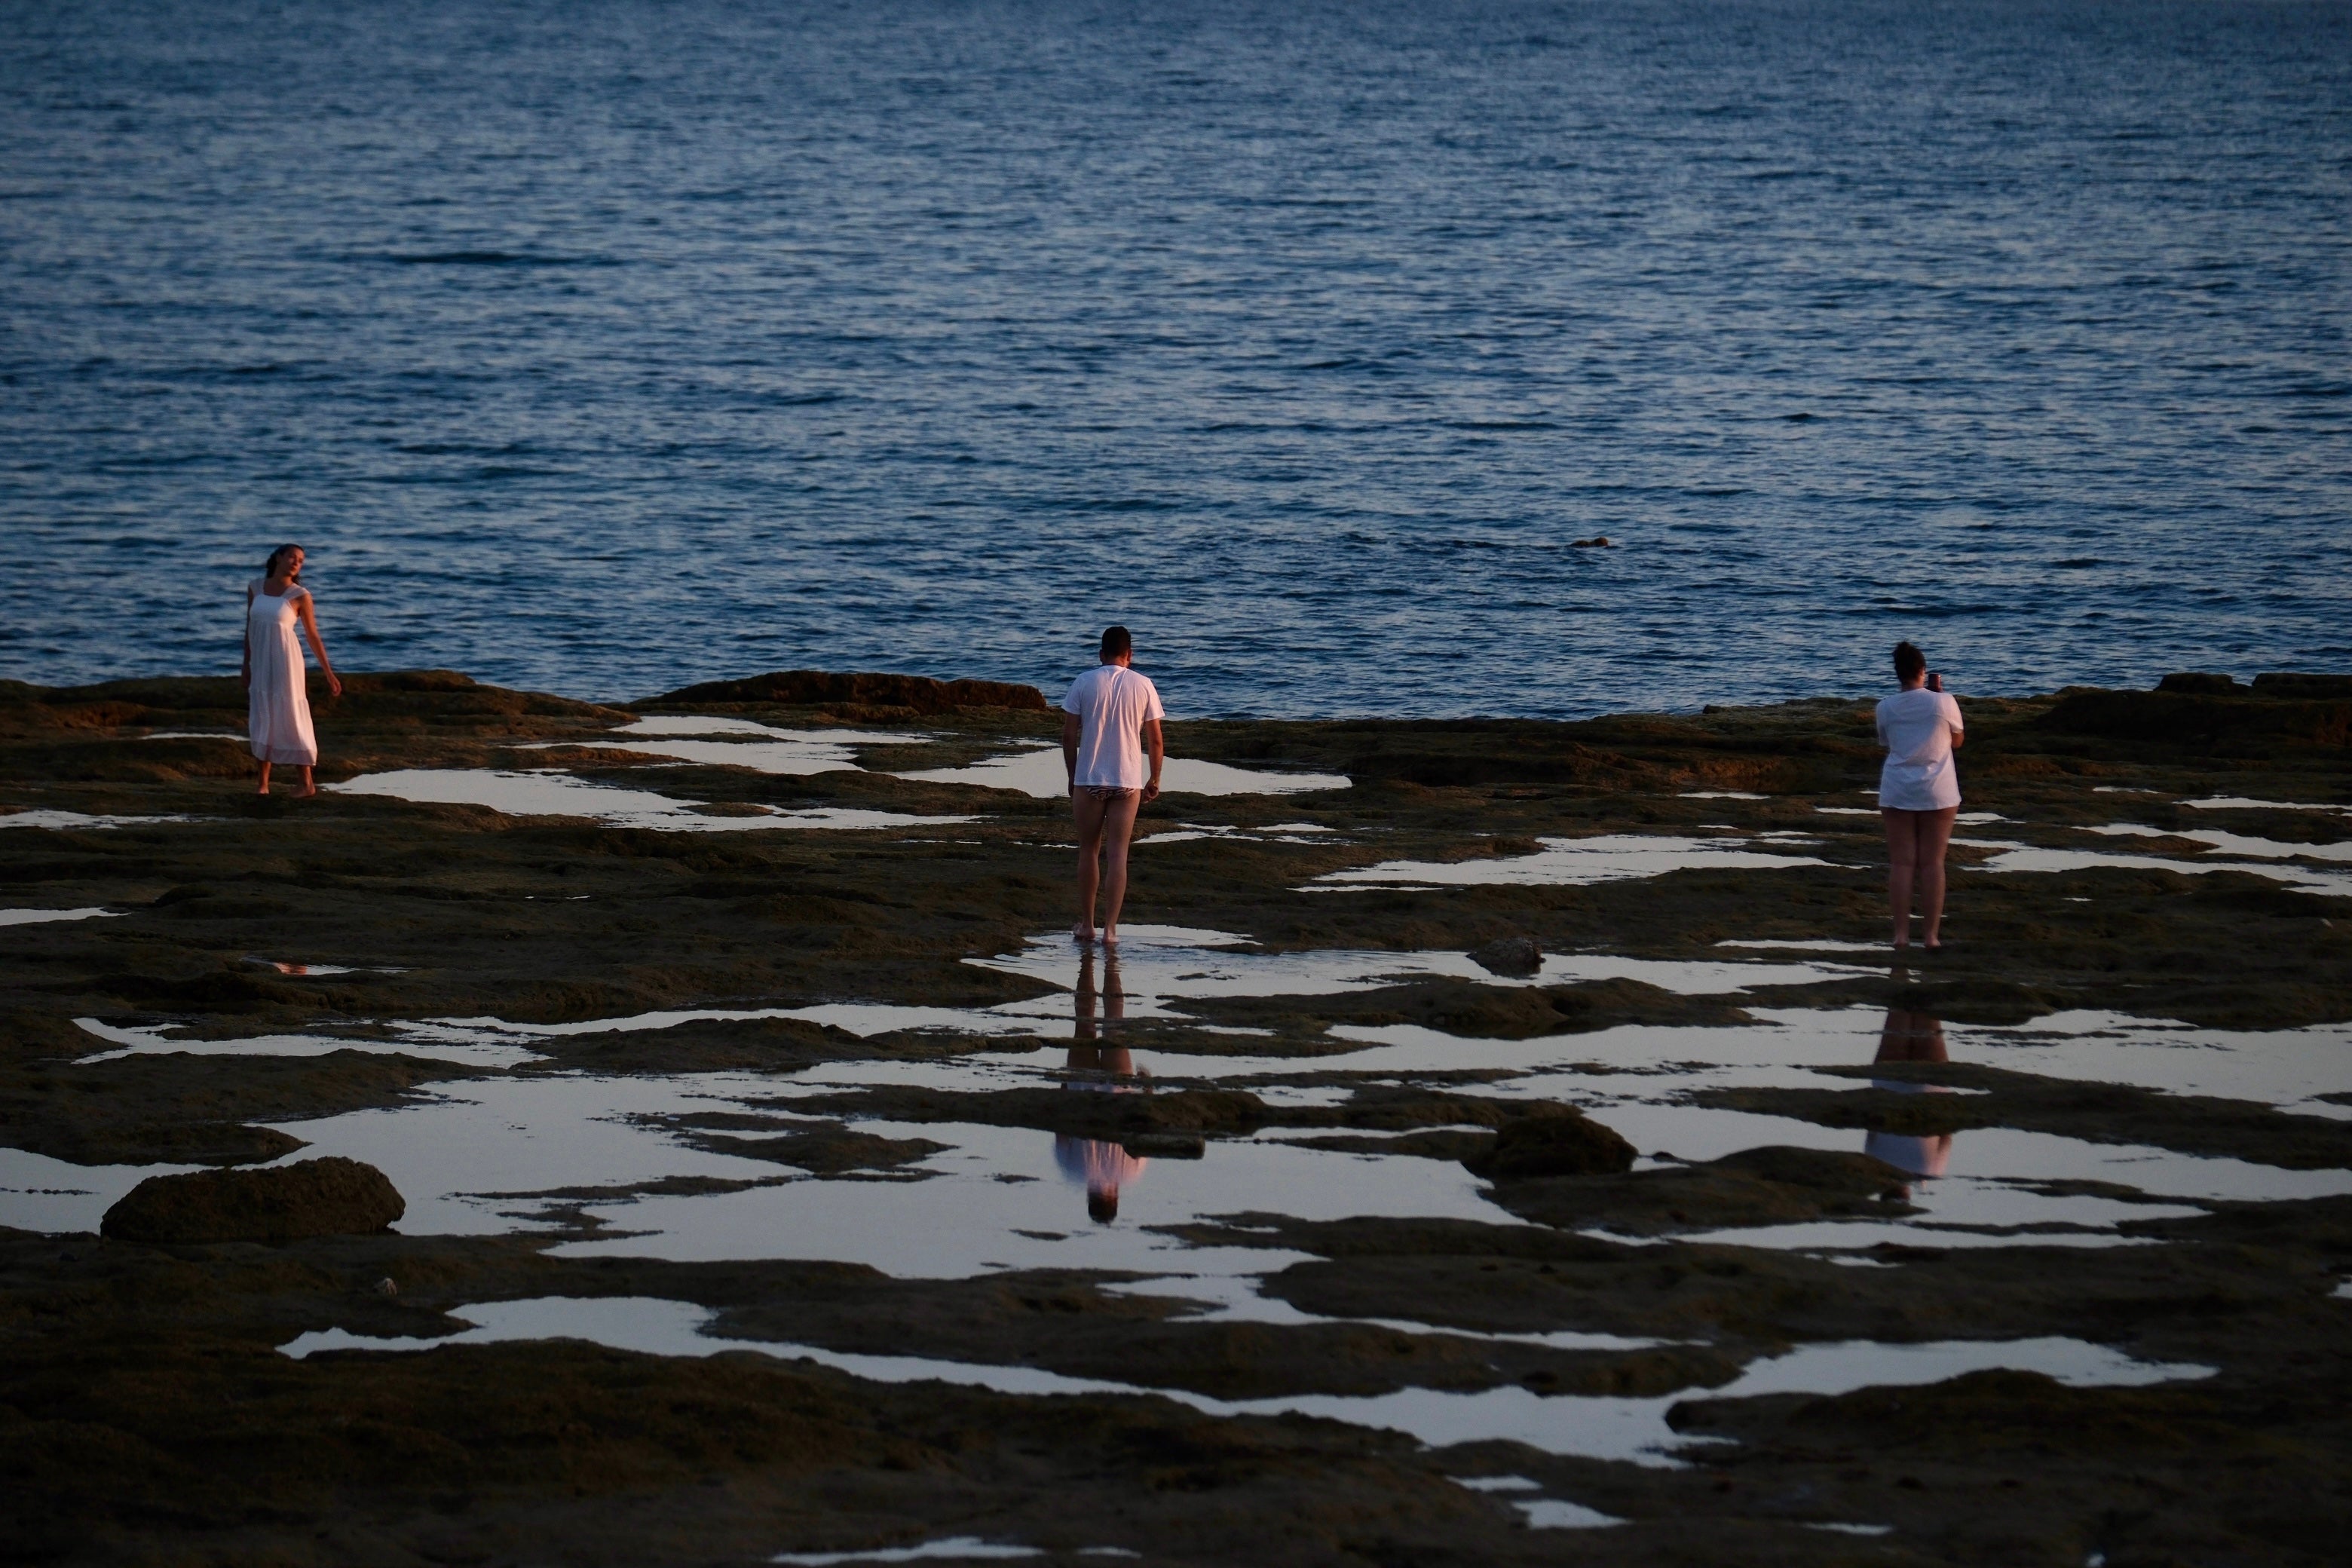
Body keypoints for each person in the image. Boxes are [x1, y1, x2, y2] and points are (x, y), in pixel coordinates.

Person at [1061, 625, 1164, 945]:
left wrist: (1072, 775)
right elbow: (1156, 740)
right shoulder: (1144, 684)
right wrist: (1154, 778)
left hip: (1089, 778)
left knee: (1089, 851)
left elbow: (1068, 735)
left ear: (1101, 654)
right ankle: (1111, 931)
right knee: (1118, 855)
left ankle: (1088, 925)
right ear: (1129, 655)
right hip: (1128, 780)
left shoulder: (1084, 681)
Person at [1876, 640, 1962, 952]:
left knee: (1901, 864)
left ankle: (1900, 935)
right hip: (1938, 789)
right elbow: (1957, 742)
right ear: (1923, 672)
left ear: (1898, 674)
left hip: (1898, 786)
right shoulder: (1945, 702)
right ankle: (1931, 936)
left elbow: (1886, 742)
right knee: (1932, 864)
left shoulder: (1884, 706)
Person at [242, 543, 341, 796]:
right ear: (278, 557)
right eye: (292, 557)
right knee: (263, 715)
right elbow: (249, 628)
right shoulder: (255, 587)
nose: (297, 563)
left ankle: (306, 783)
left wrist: (328, 673)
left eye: (301, 560)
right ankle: (262, 785)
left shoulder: (300, 595)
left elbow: (313, 636)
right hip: (262, 661)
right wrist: (246, 664)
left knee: (290, 714)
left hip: (286, 660)